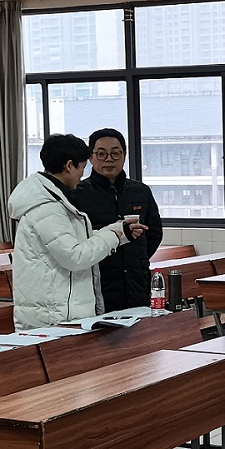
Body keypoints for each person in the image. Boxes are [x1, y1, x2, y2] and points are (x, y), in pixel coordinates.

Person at [9, 132, 128, 331]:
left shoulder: (55, 199)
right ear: (69, 166)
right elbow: (74, 256)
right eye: (82, 167)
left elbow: (76, 242)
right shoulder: (46, 207)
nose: (82, 174)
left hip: (59, 312)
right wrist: (112, 237)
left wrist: (118, 232)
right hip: (52, 317)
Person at [70, 127, 161, 311]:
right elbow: (76, 239)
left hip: (136, 281)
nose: (109, 159)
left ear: (124, 155)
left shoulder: (141, 191)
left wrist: (136, 258)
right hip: (98, 282)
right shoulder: (78, 193)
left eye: (115, 153)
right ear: (91, 157)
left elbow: (154, 233)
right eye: (101, 154)